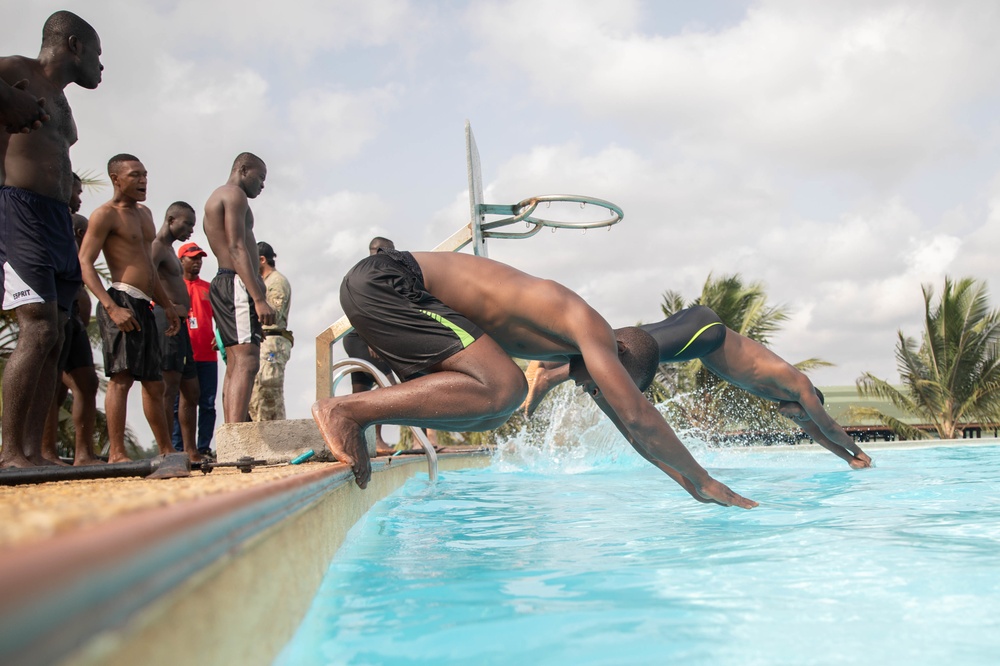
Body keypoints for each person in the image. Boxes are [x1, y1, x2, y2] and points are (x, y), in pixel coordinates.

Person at [313, 250, 757, 509]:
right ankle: (347, 410)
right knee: (506, 387)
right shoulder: (593, 331)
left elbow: (632, 433)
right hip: (390, 283)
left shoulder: (568, 342)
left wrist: (686, 484)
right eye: (599, 385)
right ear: (618, 362)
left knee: (490, 409)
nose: (588, 388)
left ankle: (360, 419)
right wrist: (707, 480)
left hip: (382, 289)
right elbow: (638, 416)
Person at [522, 305, 873, 469]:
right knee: (624, 345)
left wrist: (845, 460)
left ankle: (550, 365)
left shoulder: (788, 397)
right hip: (707, 333)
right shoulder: (802, 388)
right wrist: (859, 453)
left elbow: (818, 434)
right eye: (803, 418)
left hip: (700, 341)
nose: (800, 422)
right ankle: (549, 368)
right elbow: (826, 427)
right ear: (814, 405)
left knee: (627, 349)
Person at [0, 11, 103, 468]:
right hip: (18, 207)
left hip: (58, 218)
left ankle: (34, 453)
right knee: (38, 326)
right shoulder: (15, 70)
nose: (102, 68)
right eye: (98, 55)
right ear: (74, 45)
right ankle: (9, 452)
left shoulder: (62, 102)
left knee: (57, 334)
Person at [78, 154, 180, 463]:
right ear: (116, 179)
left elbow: (149, 265)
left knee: (154, 381)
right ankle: (117, 453)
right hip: (120, 300)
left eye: (145, 175)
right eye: (135, 175)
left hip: (144, 303)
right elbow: (85, 263)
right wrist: (111, 308)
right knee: (121, 378)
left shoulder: (146, 214)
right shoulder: (104, 215)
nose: (143, 181)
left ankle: (167, 450)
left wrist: (167, 305)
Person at [203, 153, 275, 423]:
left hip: (229, 282)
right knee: (246, 362)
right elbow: (236, 247)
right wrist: (258, 298)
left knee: (236, 363)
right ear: (243, 169)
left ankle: (233, 435)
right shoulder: (234, 196)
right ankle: (235, 436)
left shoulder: (221, 196)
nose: (262, 185)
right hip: (234, 283)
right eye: (261, 177)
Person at [40, 173, 101, 466]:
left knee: (87, 382)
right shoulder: (51, 222)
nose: (79, 198)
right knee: (52, 384)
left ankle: (84, 453)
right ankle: (46, 451)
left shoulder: (68, 229)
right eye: (76, 192)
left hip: (74, 317)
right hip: (57, 309)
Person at [151, 202, 201, 462]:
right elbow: (146, 277)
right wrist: (167, 306)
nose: (191, 230)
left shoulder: (170, 250)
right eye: (187, 224)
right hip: (165, 321)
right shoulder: (157, 246)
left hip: (181, 324)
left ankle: (191, 451)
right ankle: (166, 449)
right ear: (171, 218)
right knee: (168, 387)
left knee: (191, 390)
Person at [342, 236, 397, 453]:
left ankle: (363, 441)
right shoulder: (368, 272)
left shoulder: (381, 272)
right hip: (362, 338)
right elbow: (362, 309)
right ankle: (379, 440)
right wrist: (372, 339)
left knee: (361, 391)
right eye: (391, 251)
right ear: (381, 251)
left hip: (370, 338)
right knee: (389, 386)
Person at [172, 242, 218, 458]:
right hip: (181, 354)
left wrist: (219, 338)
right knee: (178, 403)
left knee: (207, 404)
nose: (197, 262)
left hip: (207, 356)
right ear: (181, 260)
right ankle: (178, 448)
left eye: (200, 258)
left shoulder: (209, 288)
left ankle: (203, 448)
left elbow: (220, 317)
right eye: (193, 258)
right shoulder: (172, 287)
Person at [249, 241, 292, 421]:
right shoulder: (263, 282)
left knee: (269, 392)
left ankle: (277, 440)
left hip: (272, 341)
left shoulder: (276, 281)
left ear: (261, 259)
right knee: (257, 393)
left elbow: (273, 313)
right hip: (263, 341)